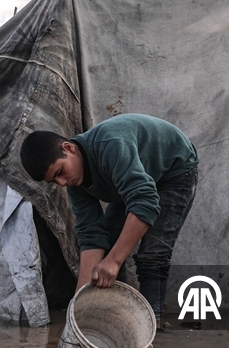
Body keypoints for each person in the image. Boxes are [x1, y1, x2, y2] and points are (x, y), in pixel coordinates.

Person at [20, 113, 199, 324]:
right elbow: (91, 235)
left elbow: (145, 201)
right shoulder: (75, 183)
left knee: (152, 254)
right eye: (55, 180)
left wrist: (113, 261)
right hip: (130, 182)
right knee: (110, 248)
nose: (62, 182)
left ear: (68, 148)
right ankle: (120, 320)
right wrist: (78, 305)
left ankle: (151, 326)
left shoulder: (110, 144)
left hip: (173, 170)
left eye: (60, 171)